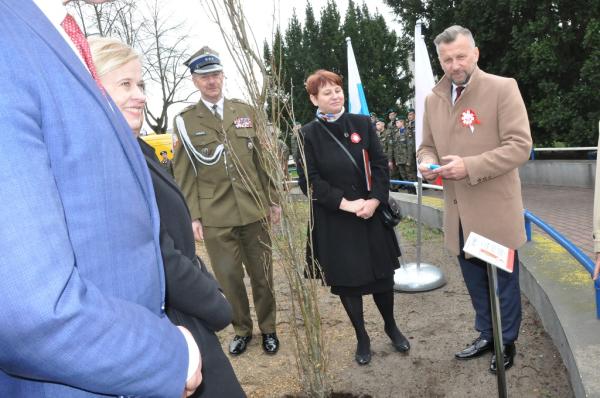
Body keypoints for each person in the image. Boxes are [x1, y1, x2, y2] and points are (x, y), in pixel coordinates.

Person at [0, 1, 201, 397]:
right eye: (124, 84)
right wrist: (167, 357)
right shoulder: (9, 36)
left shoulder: (52, 33)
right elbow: (29, 311)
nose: (137, 95)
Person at [89, 36, 245, 398]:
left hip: (182, 311)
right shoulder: (109, 157)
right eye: (125, 84)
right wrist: (218, 304)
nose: (140, 95)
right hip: (168, 321)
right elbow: (157, 253)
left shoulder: (134, 145)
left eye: (141, 84)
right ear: (92, 89)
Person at [417, 25, 532, 373]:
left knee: (502, 283)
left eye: (461, 56)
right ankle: (487, 333)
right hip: (458, 213)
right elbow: (427, 145)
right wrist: (425, 162)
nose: (455, 64)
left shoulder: (502, 88)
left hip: (493, 211)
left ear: (476, 53)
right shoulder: (433, 98)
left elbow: (519, 146)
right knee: (475, 282)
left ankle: (506, 340)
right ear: (440, 60)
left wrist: (469, 166)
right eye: (447, 58)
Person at [297, 69, 410, 366]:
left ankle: (391, 325)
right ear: (313, 99)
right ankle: (361, 336)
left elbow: (382, 166)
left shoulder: (362, 124)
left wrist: (374, 200)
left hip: (370, 214)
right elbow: (309, 181)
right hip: (336, 219)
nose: (335, 96)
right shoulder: (306, 135)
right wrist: (346, 204)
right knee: (349, 283)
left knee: (382, 277)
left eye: (337, 89)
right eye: (326, 92)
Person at [173, 46, 281, 356]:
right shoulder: (185, 121)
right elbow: (184, 174)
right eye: (204, 77)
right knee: (230, 278)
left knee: (263, 274)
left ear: (223, 76)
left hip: (253, 209)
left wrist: (272, 199)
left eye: (216, 75)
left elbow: (262, 160)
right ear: (195, 81)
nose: (212, 81)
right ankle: (242, 329)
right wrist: (193, 216)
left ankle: (269, 328)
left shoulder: (244, 111)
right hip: (215, 214)